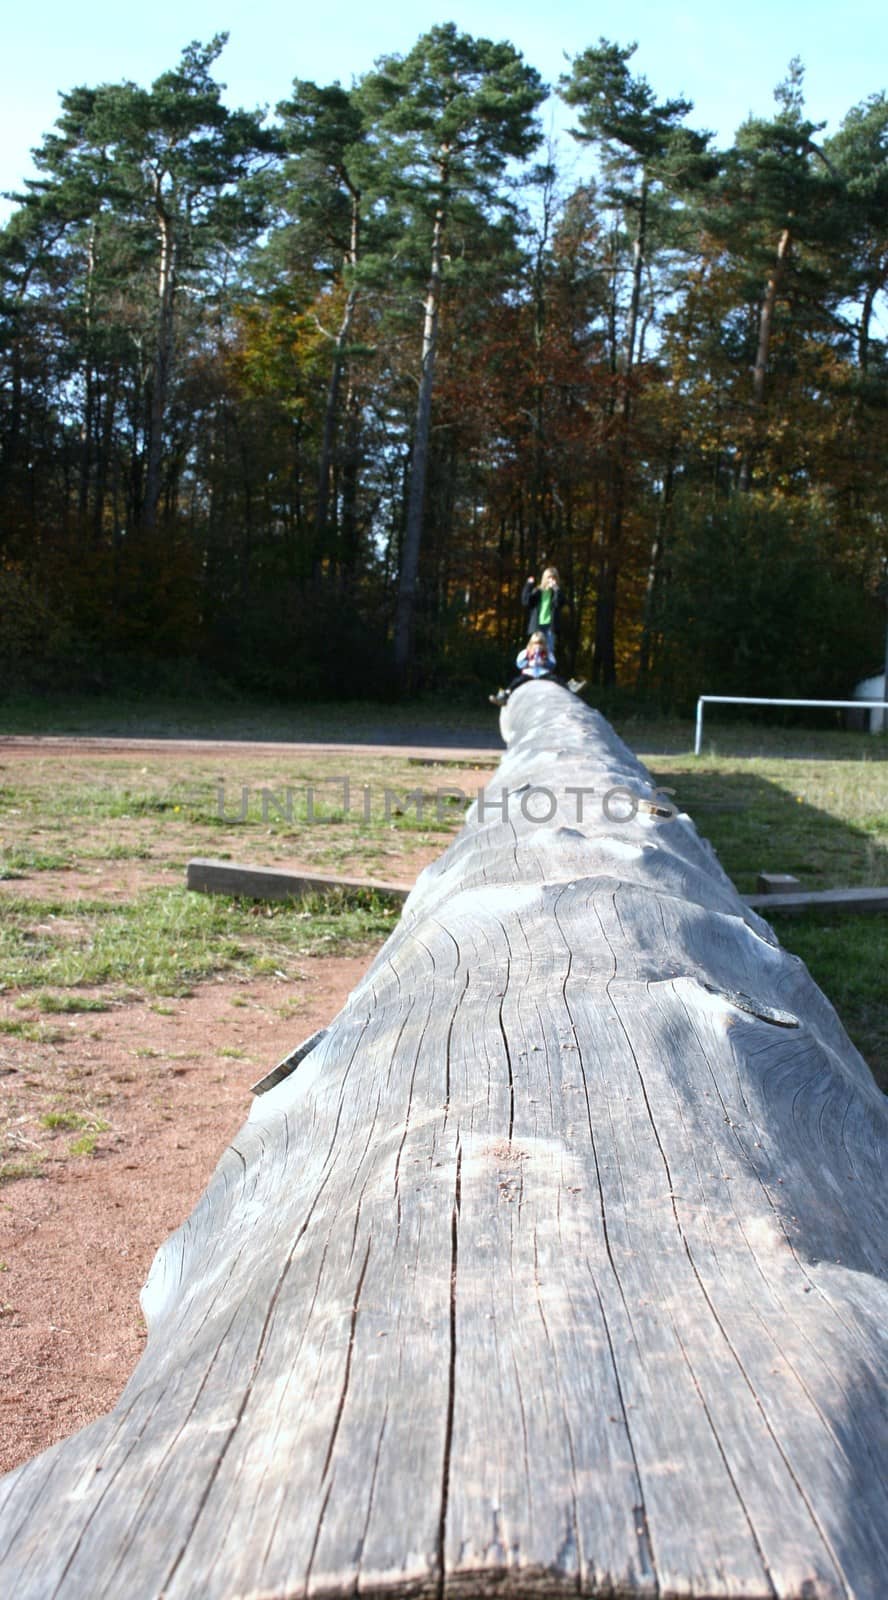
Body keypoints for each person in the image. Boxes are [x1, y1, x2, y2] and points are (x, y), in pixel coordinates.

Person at [489, 633, 585, 704]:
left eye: (540, 644)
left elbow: (553, 664)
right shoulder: (525, 652)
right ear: (531, 643)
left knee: (555, 678)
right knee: (518, 681)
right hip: (529, 673)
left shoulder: (548, 653)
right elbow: (519, 663)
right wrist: (529, 663)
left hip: (543, 673)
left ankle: (569, 687)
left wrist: (544, 663)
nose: (538, 646)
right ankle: (505, 694)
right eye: (535, 643)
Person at [521, 567, 564, 656]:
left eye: (554, 578)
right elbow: (526, 601)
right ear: (545, 578)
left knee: (549, 653)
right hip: (537, 627)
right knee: (534, 652)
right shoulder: (538, 591)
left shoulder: (556, 593)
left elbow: (559, 603)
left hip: (550, 627)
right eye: (549, 577)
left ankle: (547, 670)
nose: (551, 580)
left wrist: (556, 590)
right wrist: (528, 585)